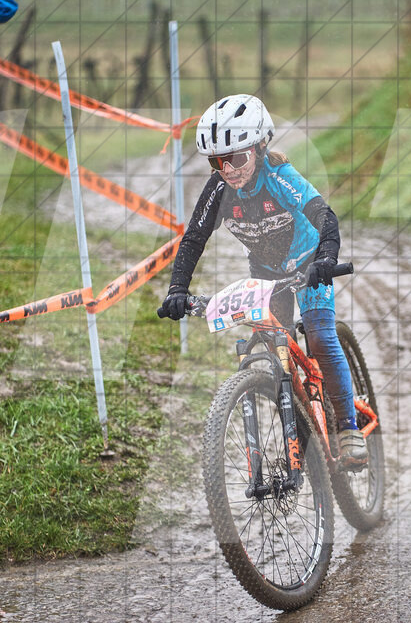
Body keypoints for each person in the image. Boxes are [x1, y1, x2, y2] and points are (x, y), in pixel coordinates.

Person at [157, 94, 367, 468]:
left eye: (237, 157)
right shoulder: (219, 190)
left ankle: (348, 427)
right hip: (267, 274)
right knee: (276, 356)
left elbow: (324, 217)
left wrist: (326, 259)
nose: (229, 169)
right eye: (217, 161)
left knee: (318, 333)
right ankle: (300, 429)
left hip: (308, 263)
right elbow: (192, 240)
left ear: (259, 146)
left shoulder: (279, 177)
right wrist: (177, 289)